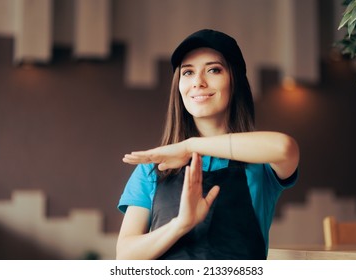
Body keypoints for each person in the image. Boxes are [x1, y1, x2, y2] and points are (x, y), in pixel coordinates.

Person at [116, 29, 300, 260]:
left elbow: (284, 148)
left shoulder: (259, 164)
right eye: (188, 72)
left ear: (235, 81)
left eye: (213, 70)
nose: (198, 82)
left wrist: (189, 147)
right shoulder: (152, 168)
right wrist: (181, 224)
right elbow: (126, 256)